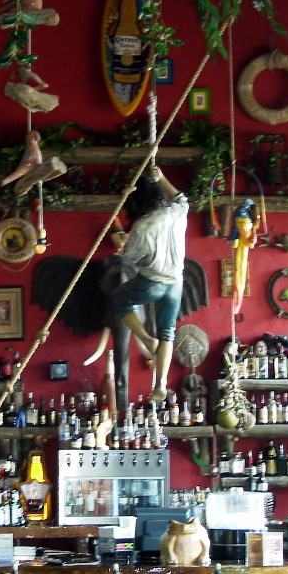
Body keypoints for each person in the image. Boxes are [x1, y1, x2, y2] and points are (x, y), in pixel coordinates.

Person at [112, 164, 188, 403]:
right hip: (176, 283)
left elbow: (131, 257)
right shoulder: (176, 212)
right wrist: (162, 177)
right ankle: (161, 385)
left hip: (152, 283)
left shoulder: (142, 225)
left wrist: (124, 240)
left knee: (119, 300)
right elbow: (181, 198)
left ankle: (146, 339)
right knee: (168, 332)